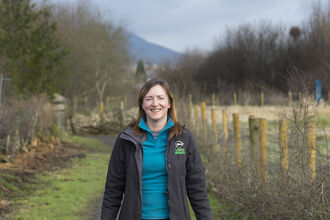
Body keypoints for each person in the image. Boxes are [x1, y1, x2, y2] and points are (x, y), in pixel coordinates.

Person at [101, 78, 213, 220]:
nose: (155, 104)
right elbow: (113, 189)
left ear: (169, 103)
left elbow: (197, 189)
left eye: (160, 98)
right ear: (142, 104)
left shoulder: (184, 138)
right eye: (149, 99)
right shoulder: (127, 139)